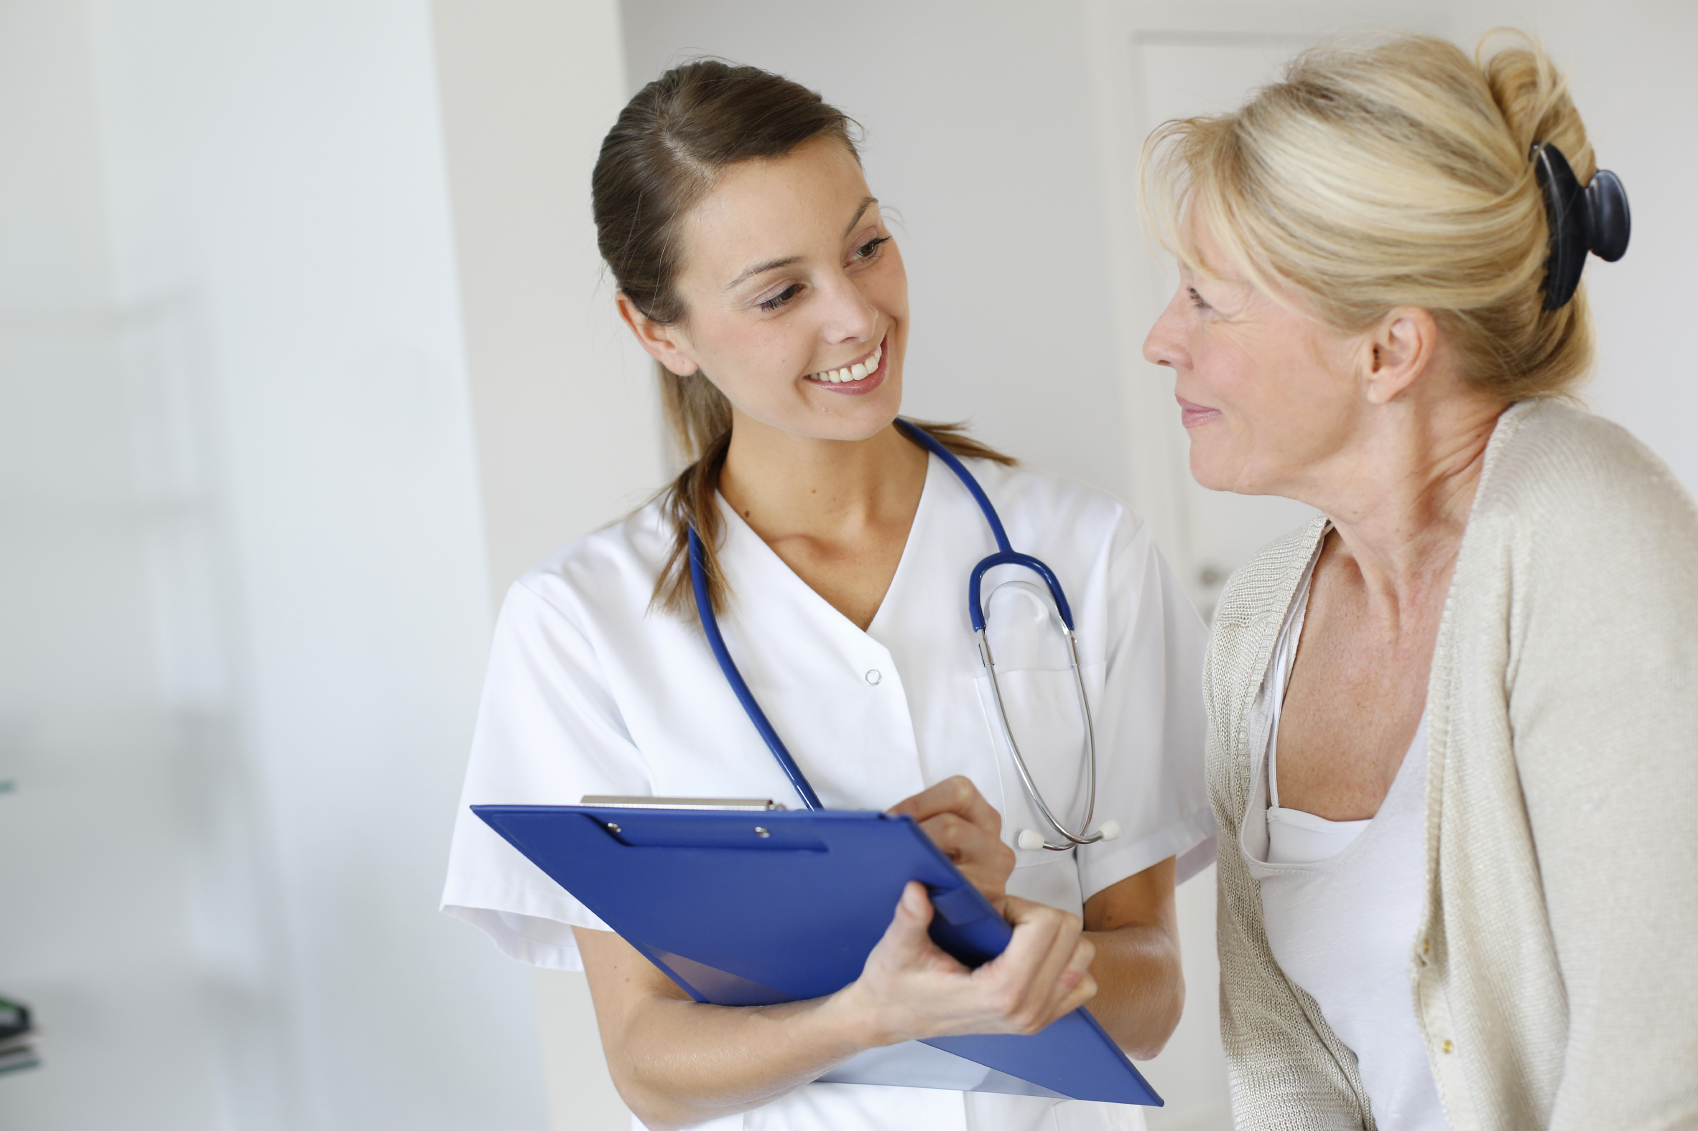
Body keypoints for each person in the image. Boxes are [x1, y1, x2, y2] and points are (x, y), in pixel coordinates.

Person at [441, 60, 1213, 1131]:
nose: (857, 317)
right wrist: (863, 1012)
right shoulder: (579, 625)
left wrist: (1011, 935)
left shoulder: (1086, 555)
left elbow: (1153, 994)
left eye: (866, 246)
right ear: (657, 332)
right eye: (780, 292)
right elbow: (648, 1066)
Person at [1139, 29, 1698, 1131]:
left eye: (1209, 298)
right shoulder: (1259, 621)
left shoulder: (1587, 533)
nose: (1164, 339)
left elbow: (1663, 1062)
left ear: (1389, 352)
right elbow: (1283, 1061)